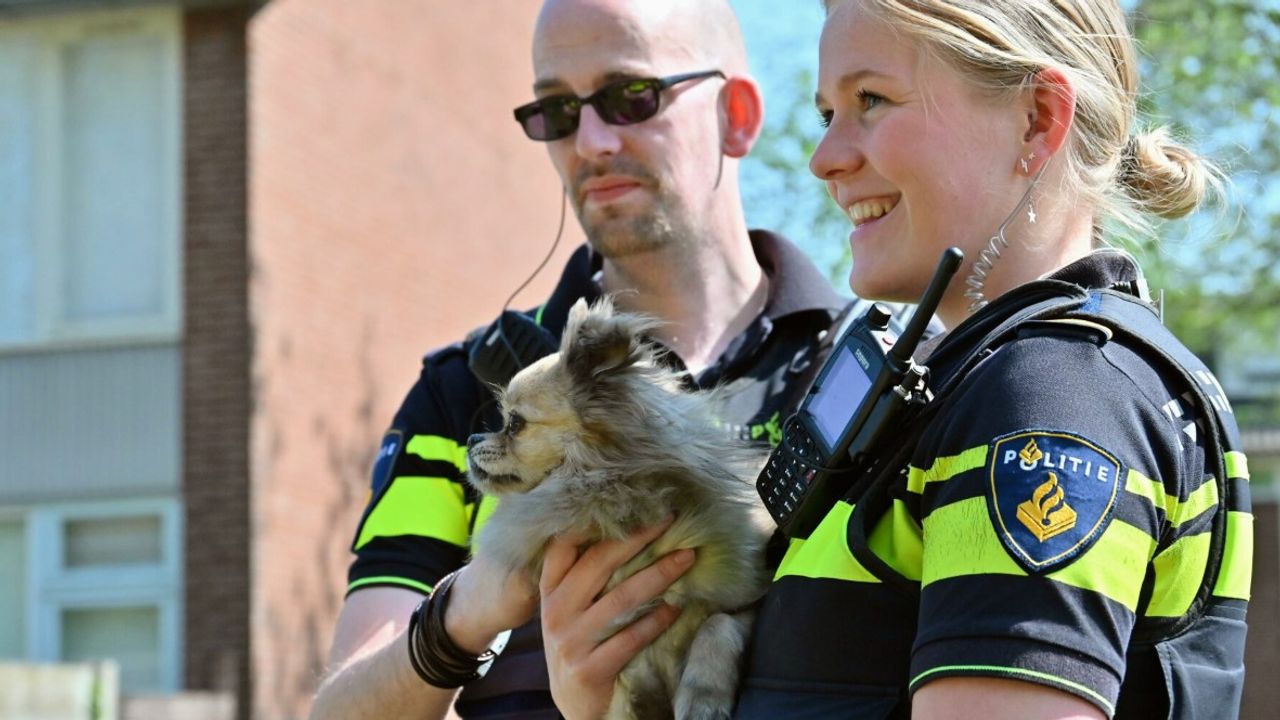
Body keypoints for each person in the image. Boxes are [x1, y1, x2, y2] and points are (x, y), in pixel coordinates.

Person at [309, 1, 868, 718]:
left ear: (736, 115)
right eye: (558, 111)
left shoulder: (877, 371)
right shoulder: (464, 390)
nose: (592, 142)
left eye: (631, 96)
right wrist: (464, 614)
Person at [728, 0, 1252, 718]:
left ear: (1037, 119)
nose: (825, 159)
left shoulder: (1048, 396)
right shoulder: (992, 381)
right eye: (827, 114)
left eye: (871, 99)